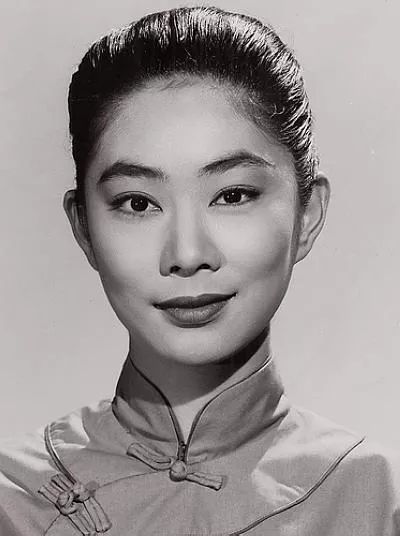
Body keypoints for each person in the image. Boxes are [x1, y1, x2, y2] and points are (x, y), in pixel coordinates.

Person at [0, 5, 399, 535]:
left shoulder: (379, 501)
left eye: (233, 195)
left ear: (307, 214)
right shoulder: (12, 500)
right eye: (138, 203)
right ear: (84, 228)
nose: (187, 254)